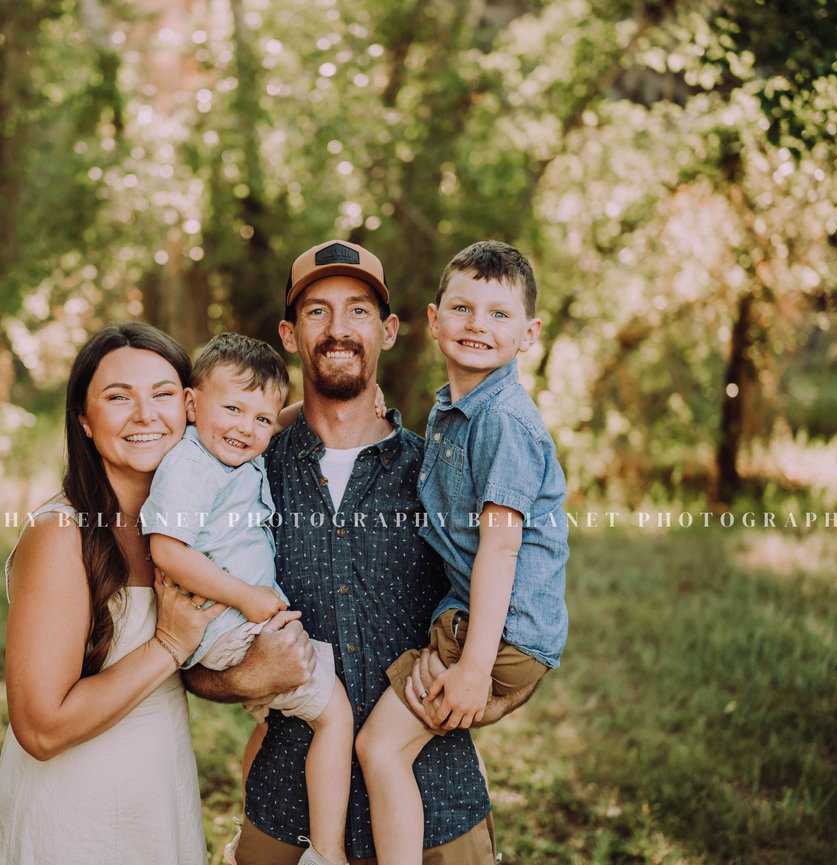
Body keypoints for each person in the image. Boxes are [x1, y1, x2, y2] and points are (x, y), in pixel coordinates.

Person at [181, 240, 536, 865]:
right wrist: (242, 677)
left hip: (437, 813)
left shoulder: (439, 475)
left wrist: (483, 691)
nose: (338, 329)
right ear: (290, 335)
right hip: (288, 815)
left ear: (391, 330)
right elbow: (182, 642)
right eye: (317, 312)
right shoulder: (244, 477)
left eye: (359, 311)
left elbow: (520, 612)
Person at [0, 322, 226, 865]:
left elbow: (258, 420)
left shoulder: (187, 526)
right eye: (117, 397)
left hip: (157, 802)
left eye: (162, 394)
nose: (145, 415)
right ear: (85, 420)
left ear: (190, 407)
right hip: (70, 821)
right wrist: (169, 647)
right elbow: (40, 728)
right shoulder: (60, 536)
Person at [355, 240, 569, 864]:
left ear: (528, 334)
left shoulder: (504, 420)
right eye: (463, 307)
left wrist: (474, 669)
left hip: (501, 635)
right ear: (434, 319)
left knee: (379, 747)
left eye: (500, 314)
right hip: (477, 624)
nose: (478, 324)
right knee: (406, 721)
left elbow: (501, 551)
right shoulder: (457, 410)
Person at [141, 331, 354, 865]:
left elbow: (268, 418)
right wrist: (248, 596)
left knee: (273, 722)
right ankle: (325, 854)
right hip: (234, 624)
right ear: (191, 404)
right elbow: (167, 549)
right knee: (337, 717)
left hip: (238, 623)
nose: (246, 428)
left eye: (261, 419)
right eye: (232, 409)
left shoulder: (227, 452)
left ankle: (248, 821)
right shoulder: (191, 465)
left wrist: (317, 405)